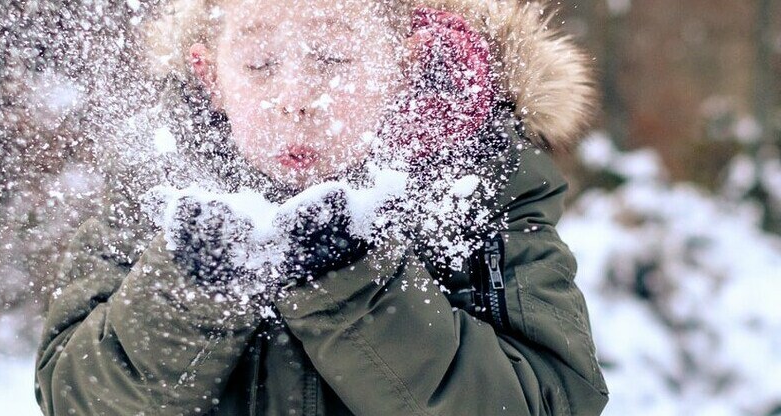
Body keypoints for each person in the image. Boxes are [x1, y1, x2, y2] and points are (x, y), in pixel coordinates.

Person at [35, 0, 610, 414]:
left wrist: (354, 283)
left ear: (403, 65)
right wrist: (194, 287)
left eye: (332, 59)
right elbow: (76, 400)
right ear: (212, 76)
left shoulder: (472, 187)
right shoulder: (159, 191)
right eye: (260, 64)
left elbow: (548, 402)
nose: (295, 100)